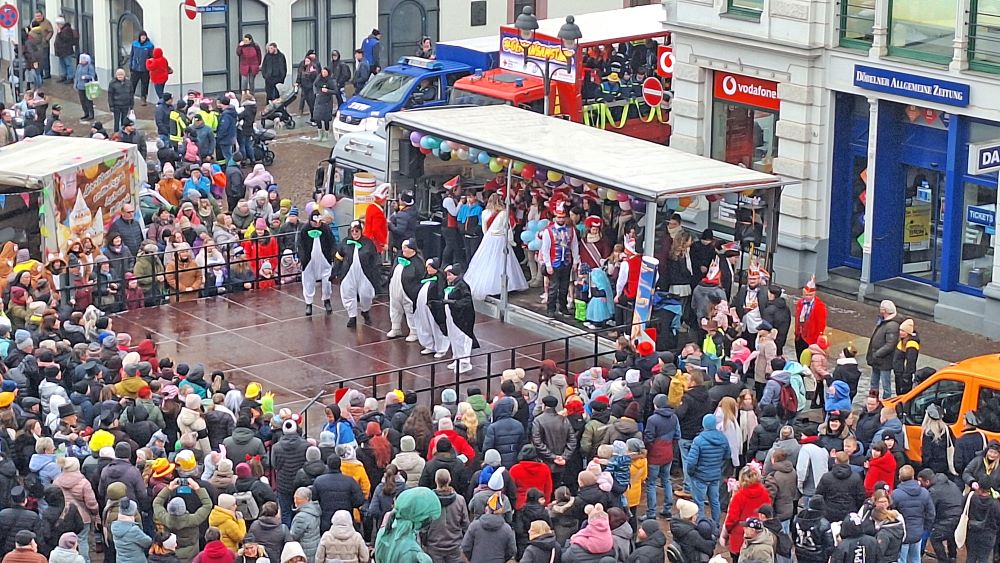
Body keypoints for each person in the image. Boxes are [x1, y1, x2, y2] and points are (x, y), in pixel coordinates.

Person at [464, 193, 528, 301]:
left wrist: (487, 237)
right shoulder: (504, 213)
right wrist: (511, 241)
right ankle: (505, 286)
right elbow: (507, 228)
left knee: (487, 261)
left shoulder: (484, 213)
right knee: (503, 262)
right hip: (501, 238)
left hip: (489, 238)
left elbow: (484, 229)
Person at [333, 221, 379, 328]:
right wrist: (335, 271)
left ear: (361, 231)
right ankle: (352, 316)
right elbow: (338, 257)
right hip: (348, 273)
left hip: (365, 274)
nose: (354, 233)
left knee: (366, 295)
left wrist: (376, 275)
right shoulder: (345, 242)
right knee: (348, 293)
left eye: (357, 231)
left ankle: (365, 311)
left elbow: (374, 260)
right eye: (352, 231)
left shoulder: (368, 243)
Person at [686, 413, 730, 525]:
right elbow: (727, 455)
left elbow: (691, 462)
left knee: (699, 502)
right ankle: (716, 524)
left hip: (700, 476)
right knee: (715, 501)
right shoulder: (723, 438)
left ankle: (701, 525)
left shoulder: (698, 440)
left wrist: (691, 473)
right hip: (715, 475)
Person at [538, 201, 579, 318]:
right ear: (555, 217)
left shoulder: (571, 230)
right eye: (559, 217)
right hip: (554, 263)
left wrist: (575, 261)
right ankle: (551, 309)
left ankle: (563, 307)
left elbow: (574, 246)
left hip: (566, 262)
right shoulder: (548, 231)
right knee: (553, 288)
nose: (561, 219)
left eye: (562, 217)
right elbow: (545, 249)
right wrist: (548, 265)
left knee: (564, 287)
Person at [643, 393, 679, 520]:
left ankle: (651, 513)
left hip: (655, 455)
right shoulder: (674, 417)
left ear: (656, 405)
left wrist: (647, 449)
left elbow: (648, 438)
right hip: (668, 453)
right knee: (666, 480)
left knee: (651, 483)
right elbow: (677, 435)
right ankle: (667, 509)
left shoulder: (652, 420)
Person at [724, 466, 772, 560]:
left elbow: (732, 519)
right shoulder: (765, 493)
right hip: (759, 536)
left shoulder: (738, 497)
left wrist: (728, 530)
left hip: (740, 537)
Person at [423, 468, 469, 562]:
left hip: (434, 545)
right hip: (454, 544)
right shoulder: (460, 500)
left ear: (436, 480)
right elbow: (465, 524)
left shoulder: (428, 501)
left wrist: (424, 542)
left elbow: (424, 526)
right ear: (450, 480)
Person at [891, 465, 935, 563]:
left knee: (901, 560)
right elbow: (931, 514)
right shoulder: (924, 492)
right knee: (915, 559)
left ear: (899, 477)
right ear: (913, 476)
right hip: (917, 533)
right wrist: (923, 528)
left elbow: (891, 515)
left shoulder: (895, 494)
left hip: (901, 534)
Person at [917, 468, 962, 563]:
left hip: (947, 518)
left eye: (921, 482)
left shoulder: (933, 491)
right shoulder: (949, 483)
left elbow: (929, 510)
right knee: (951, 536)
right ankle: (952, 557)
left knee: (935, 538)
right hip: (958, 516)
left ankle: (943, 560)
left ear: (927, 481)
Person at [298, 210, 336, 316]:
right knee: (308, 282)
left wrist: (332, 255)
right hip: (309, 261)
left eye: (318, 222)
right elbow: (300, 245)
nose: (316, 224)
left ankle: (327, 300)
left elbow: (332, 242)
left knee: (327, 281)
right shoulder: (304, 229)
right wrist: (302, 258)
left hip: (325, 259)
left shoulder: (326, 228)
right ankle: (308, 303)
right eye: (314, 222)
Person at [442, 264, 478, 374]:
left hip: (462, 319)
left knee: (462, 339)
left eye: (450, 275)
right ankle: (457, 358)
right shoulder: (453, 285)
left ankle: (465, 362)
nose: (448, 277)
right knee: (454, 338)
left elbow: (467, 301)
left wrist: (454, 303)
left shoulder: (462, 285)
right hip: (452, 316)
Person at [386, 239, 424, 341]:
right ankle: (395, 328)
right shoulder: (399, 258)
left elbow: (420, 278)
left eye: (406, 247)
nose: (403, 249)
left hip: (408, 292)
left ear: (412, 250)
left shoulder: (418, 262)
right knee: (394, 309)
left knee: (410, 311)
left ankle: (414, 331)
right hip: (395, 289)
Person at [413, 258, 449, 358]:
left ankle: (441, 348)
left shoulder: (440, 279)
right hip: (423, 307)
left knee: (436, 327)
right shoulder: (426, 277)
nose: (428, 269)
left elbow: (440, 293)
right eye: (427, 267)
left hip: (434, 308)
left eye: (430, 267)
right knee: (425, 325)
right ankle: (429, 345)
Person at [867, 300, 900, 399]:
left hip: (884, 360)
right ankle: (873, 399)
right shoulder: (883, 321)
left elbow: (890, 344)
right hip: (877, 359)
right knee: (874, 381)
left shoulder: (892, 325)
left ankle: (886, 401)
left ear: (885, 310)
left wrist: (877, 354)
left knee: (886, 384)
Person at [964, 482, 1000, 563]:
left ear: (979, 487)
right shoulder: (995, 503)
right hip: (988, 535)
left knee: (971, 557)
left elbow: (963, 509)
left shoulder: (970, 498)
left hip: (972, 532)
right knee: (984, 558)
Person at [793, 276, 827, 360]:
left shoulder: (819, 306)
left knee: (807, 359)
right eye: (806, 295)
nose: (808, 297)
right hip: (799, 336)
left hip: (811, 338)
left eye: (810, 295)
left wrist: (816, 340)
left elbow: (821, 325)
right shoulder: (800, 303)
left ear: (814, 294)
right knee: (799, 356)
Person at [792, 496, 833, 563]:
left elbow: (794, 536)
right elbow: (829, 546)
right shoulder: (823, 523)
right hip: (817, 557)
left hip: (800, 554)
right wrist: (825, 557)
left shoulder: (798, 519)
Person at [893, 318, 919, 396]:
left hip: (904, 376)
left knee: (903, 395)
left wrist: (906, 376)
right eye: (900, 330)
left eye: (903, 331)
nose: (900, 332)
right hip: (899, 373)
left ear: (908, 332)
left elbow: (911, 361)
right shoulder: (903, 340)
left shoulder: (912, 344)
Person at [312, 67, 337, 141]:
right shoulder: (319, 79)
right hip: (319, 100)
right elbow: (315, 85)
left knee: (326, 118)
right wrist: (316, 93)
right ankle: (320, 134)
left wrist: (328, 91)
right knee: (317, 117)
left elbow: (335, 91)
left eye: (325, 72)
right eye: (322, 72)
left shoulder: (331, 81)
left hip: (327, 101)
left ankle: (326, 135)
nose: (323, 74)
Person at [129, 31, 154, 104]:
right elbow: (131, 55)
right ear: (139, 37)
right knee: (132, 84)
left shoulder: (150, 45)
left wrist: (149, 66)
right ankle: (130, 97)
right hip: (135, 68)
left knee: (144, 84)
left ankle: (143, 98)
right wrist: (130, 65)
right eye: (142, 36)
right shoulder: (134, 44)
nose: (143, 37)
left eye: (144, 36)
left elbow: (151, 57)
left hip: (145, 69)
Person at [54, 17, 78, 84]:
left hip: (66, 50)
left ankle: (70, 77)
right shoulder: (62, 29)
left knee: (68, 64)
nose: (57, 25)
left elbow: (66, 39)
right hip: (61, 51)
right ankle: (63, 76)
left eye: (58, 24)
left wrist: (59, 33)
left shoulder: (67, 30)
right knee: (62, 64)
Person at [107, 68, 133, 132]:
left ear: (124, 75)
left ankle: (123, 132)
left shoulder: (128, 83)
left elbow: (131, 94)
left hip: (126, 105)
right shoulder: (112, 83)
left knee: (124, 120)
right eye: (118, 75)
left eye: (121, 75)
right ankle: (116, 133)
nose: (120, 76)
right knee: (116, 120)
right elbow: (110, 95)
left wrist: (131, 105)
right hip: (116, 105)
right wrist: (111, 106)